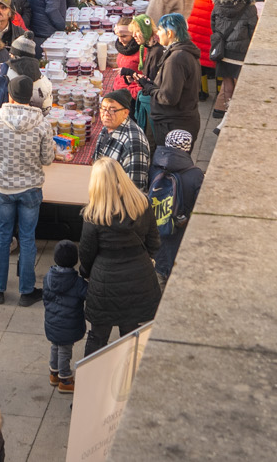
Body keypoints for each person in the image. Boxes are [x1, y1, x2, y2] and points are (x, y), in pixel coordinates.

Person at [0, 73, 55, 305]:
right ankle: (26, 290)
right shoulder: (42, 123)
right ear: (30, 98)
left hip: (3, 187)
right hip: (31, 188)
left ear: (10, 96)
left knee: (2, 236)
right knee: (27, 238)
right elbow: (48, 158)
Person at [77, 155, 162, 354]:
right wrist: (145, 259)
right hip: (139, 278)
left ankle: (91, 382)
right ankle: (126, 381)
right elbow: (154, 241)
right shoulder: (142, 204)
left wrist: (86, 273)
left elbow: (87, 253)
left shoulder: (94, 215)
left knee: (97, 337)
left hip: (105, 282)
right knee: (131, 337)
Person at [148, 128, 205, 283]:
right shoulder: (195, 174)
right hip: (178, 240)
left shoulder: (154, 167)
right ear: (188, 148)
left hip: (155, 239)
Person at [207, 0, 258, 132]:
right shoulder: (249, 6)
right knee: (243, 87)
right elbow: (253, 31)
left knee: (228, 85)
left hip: (222, 52)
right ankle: (234, 118)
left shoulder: (218, 3)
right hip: (240, 53)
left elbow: (213, 25)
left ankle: (227, 116)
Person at [42, 238, 88, 394]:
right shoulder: (77, 283)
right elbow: (88, 294)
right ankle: (65, 379)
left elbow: (45, 298)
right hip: (68, 326)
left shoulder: (48, 278)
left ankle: (53, 373)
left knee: (55, 346)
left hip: (52, 322)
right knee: (65, 351)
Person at [150, 12, 202, 147]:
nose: (157, 34)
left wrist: (150, 89)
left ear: (170, 33)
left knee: (172, 164)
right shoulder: (185, 52)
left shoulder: (176, 60)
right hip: (184, 120)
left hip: (174, 125)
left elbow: (169, 97)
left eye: (160, 30)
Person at [91, 88, 150, 191]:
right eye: (103, 108)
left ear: (125, 113)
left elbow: (135, 190)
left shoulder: (133, 143)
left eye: (113, 110)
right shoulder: (108, 127)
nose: (106, 114)